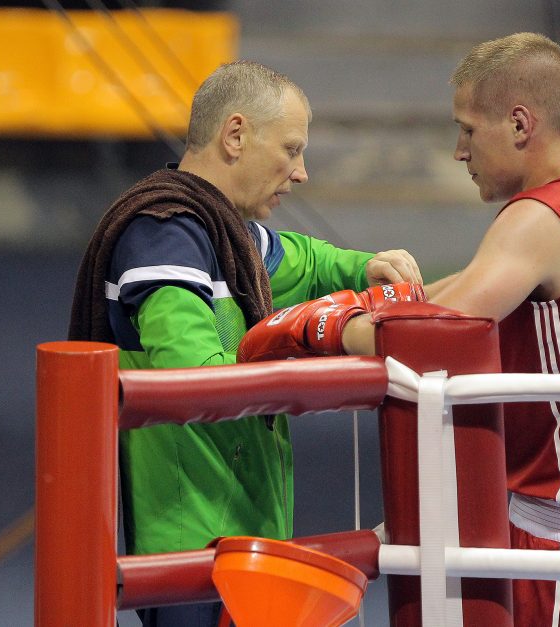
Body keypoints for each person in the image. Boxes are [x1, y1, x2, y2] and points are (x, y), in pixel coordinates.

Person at [238, 33, 560, 627]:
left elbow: (436, 334)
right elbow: (445, 298)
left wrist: (317, 326)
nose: (459, 151)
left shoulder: (540, 218)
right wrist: (368, 303)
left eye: (469, 129)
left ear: (520, 124)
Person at [68, 60, 423, 627]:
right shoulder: (163, 232)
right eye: (291, 149)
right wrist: (309, 339)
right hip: (192, 546)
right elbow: (196, 378)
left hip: (240, 529)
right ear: (235, 136)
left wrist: (366, 266)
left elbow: (305, 264)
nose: (301, 172)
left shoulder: (227, 234)